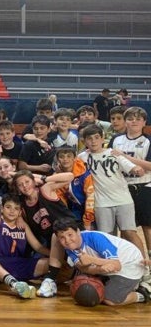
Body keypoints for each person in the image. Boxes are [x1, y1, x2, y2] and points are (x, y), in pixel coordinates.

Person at [79, 124, 147, 257]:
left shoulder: (113, 153)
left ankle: (144, 265)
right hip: (101, 203)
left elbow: (133, 168)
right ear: (84, 141)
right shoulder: (82, 157)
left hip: (123, 200)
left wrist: (136, 169)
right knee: (107, 237)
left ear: (103, 138)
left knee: (129, 233)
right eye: (89, 138)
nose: (93, 141)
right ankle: (114, 264)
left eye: (96, 138)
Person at [0, 178, 50, 299]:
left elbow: (37, 246)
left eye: (16, 208)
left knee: (50, 262)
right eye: (8, 207)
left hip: (19, 264)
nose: (12, 211)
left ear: (20, 212)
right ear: (2, 209)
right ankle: (15, 284)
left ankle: (49, 284)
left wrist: (55, 256)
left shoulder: (23, 225)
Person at [52, 217, 150, 306]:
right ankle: (132, 284)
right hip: (112, 266)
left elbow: (117, 265)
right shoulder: (69, 247)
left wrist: (92, 260)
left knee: (109, 300)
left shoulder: (95, 238)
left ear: (77, 231)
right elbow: (84, 268)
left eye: (70, 235)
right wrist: (100, 269)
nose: (67, 240)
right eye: (62, 238)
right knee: (86, 286)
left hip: (130, 264)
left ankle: (142, 294)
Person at [109, 106, 151, 263]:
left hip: (144, 186)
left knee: (148, 226)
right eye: (130, 118)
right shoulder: (116, 140)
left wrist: (125, 157)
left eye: (138, 119)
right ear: (125, 121)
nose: (134, 121)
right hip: (121, 188)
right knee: (127, 228)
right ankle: (132, 260)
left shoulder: (147, 140)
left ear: (144, 122)